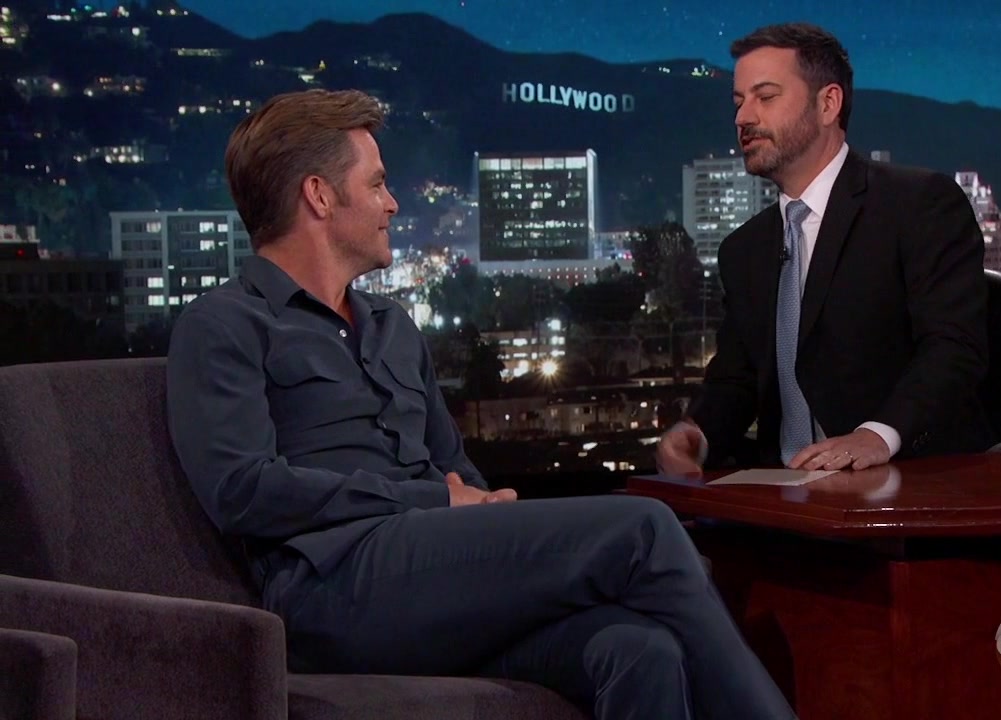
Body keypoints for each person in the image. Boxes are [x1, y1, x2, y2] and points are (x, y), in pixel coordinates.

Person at [165, 88, 794, 720]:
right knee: (645, 529)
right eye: (377, 184)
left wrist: (483, 511)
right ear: (319, 196)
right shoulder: (224, 324)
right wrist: (430, 500)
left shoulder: (391, 325)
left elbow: (456, 470)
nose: (392, 203)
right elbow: (242, 490)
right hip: (330, 588)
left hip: (437, 577)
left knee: (639, 649)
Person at [658, 23, 992, 476]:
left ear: (828, 104)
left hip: (909, 483)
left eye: (765, 96)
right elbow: (737, 379)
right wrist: (696, 435)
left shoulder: (918, 205)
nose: (743, 118)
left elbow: (953, 349)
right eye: (738, 102)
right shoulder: (744, 249)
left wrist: (877, 436)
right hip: (784, 492)